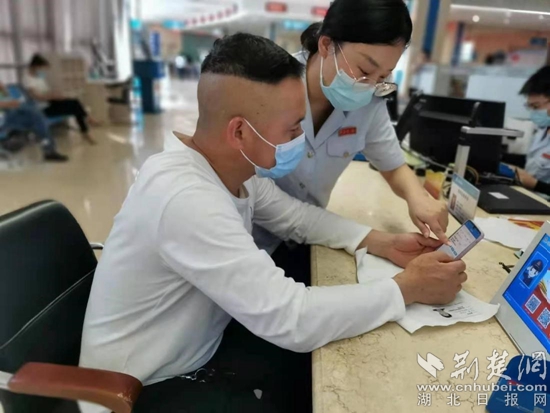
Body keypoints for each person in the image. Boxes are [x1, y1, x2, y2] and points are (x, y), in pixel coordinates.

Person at [79, 34, 467, 413]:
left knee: (311, 373)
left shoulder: (230, 169)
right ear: (240, 132)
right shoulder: (187, 199)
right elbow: (292, 318)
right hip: (141, 387)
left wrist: (379, 241)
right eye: (294, 128)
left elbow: (296, 217)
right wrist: (406, 289)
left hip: (195, 346)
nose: (301, 139)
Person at [254, 0, 450, 271]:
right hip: (252, 240)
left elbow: (392, 165)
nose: (369, 85)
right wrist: (377, 241)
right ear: (326, 45)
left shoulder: (369, 101)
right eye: (365, 71)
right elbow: (257, 196)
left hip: (310, 240)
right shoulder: (268, 87)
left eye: (382, 77)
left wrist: (417, 197)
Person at [23, 54, 97, 145]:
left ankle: (87, 125)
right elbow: (37, 97)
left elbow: (46, 91)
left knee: (75, 102)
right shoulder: (27, 79)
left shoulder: (39, 77)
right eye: (41, 68)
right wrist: (52, 96)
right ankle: (87, 126)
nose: (42, 71)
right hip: (43, 108)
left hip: (51, 102)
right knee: (75, 107)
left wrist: (55, 94)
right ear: (35, 66)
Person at [0, 83, 68, 162]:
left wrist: (4, 90)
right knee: (33, 113)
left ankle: (49, 150)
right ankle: (49, 151)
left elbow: (7, 96)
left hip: (8, 114)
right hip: (5, 116)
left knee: (37, 119)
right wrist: (7, 103)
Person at [513, 66, 550, 195]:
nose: (533, 112)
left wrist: (535, 184)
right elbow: (533, 164)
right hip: (530, 197)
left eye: (536, 106)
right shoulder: (542, 131)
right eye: (530, 106)